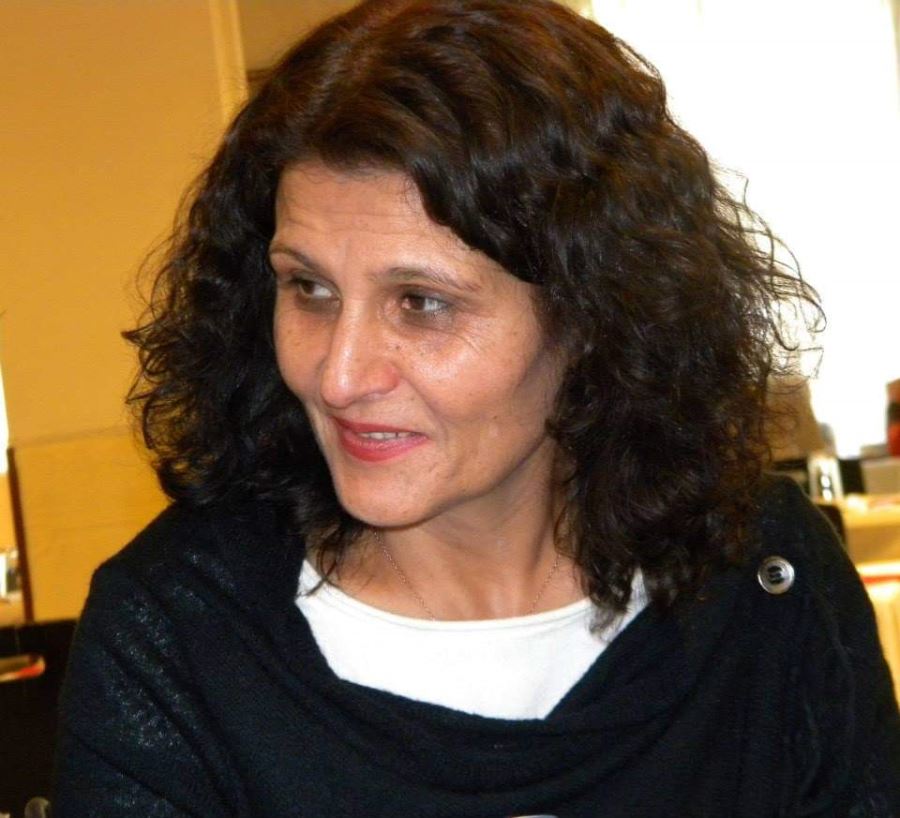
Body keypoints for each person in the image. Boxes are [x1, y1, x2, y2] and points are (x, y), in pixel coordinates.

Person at [54, 0, 900, 815]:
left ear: (596, 311)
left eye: (421, 303)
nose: (338, 376)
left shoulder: (769, 584)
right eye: (307, 288)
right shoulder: (175, 637)